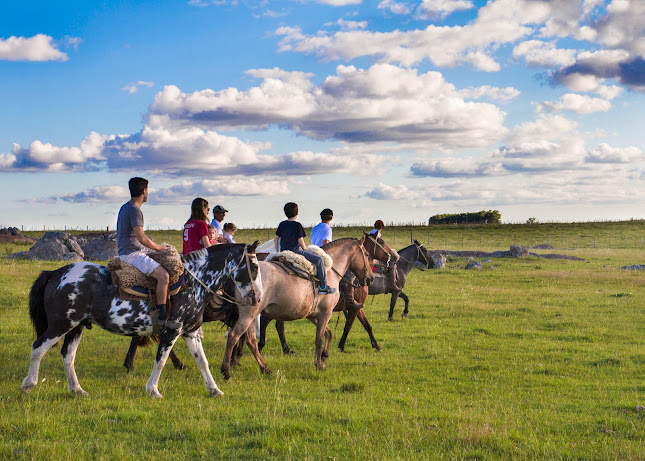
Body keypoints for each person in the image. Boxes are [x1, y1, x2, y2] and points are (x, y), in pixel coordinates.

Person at [116, 177, 178, 328]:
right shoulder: (135, 210)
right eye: (147, 190)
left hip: (128, 250)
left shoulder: (125, 207)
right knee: (164, 276)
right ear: (144, 191)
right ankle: (163, 318)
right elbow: (141, 237)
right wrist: (158, 248)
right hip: (132, 254)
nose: (148, 193)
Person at [274, 202, 336, 295]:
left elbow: (276, 240)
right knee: (319, 260)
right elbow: (300, 241)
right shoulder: (297, 225)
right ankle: (323, 287)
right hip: (296, 251)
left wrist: (278, 252)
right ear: (297, 213)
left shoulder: (282, 224)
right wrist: (305, 250)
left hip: (284, 251)